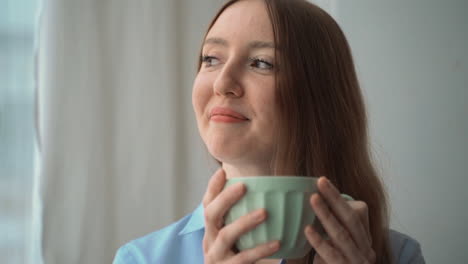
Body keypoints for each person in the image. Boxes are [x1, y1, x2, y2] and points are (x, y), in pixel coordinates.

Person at [113, 0, 425, 263]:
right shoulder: (140, 259)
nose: (222, 83)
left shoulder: (399, 255)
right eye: (211, 59)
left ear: (320, 97)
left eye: (262, 63)